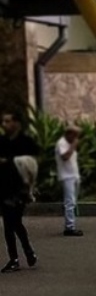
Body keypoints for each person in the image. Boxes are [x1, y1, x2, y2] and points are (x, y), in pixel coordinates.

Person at [0, 109, 40, 273]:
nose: (5, 124)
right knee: (11, 223)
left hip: (20, 189)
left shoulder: (26, 142)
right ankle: (22, 255)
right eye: (3, 121)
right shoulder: (1, 141)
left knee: (13, 222)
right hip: (3, 187)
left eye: (8, 121)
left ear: (17, 123)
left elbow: (33, 164)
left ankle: (19, 256)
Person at [56, 125, 84, 237]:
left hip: (74, 176)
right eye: (75, 135)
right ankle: (69, 227)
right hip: (67, 177)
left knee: (73, 201)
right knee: (69, 202)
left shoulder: (69, 143)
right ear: (69, 134)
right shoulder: (61, 143)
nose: (77, 138)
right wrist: (73, 145)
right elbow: (65, 157)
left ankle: (71, 224)